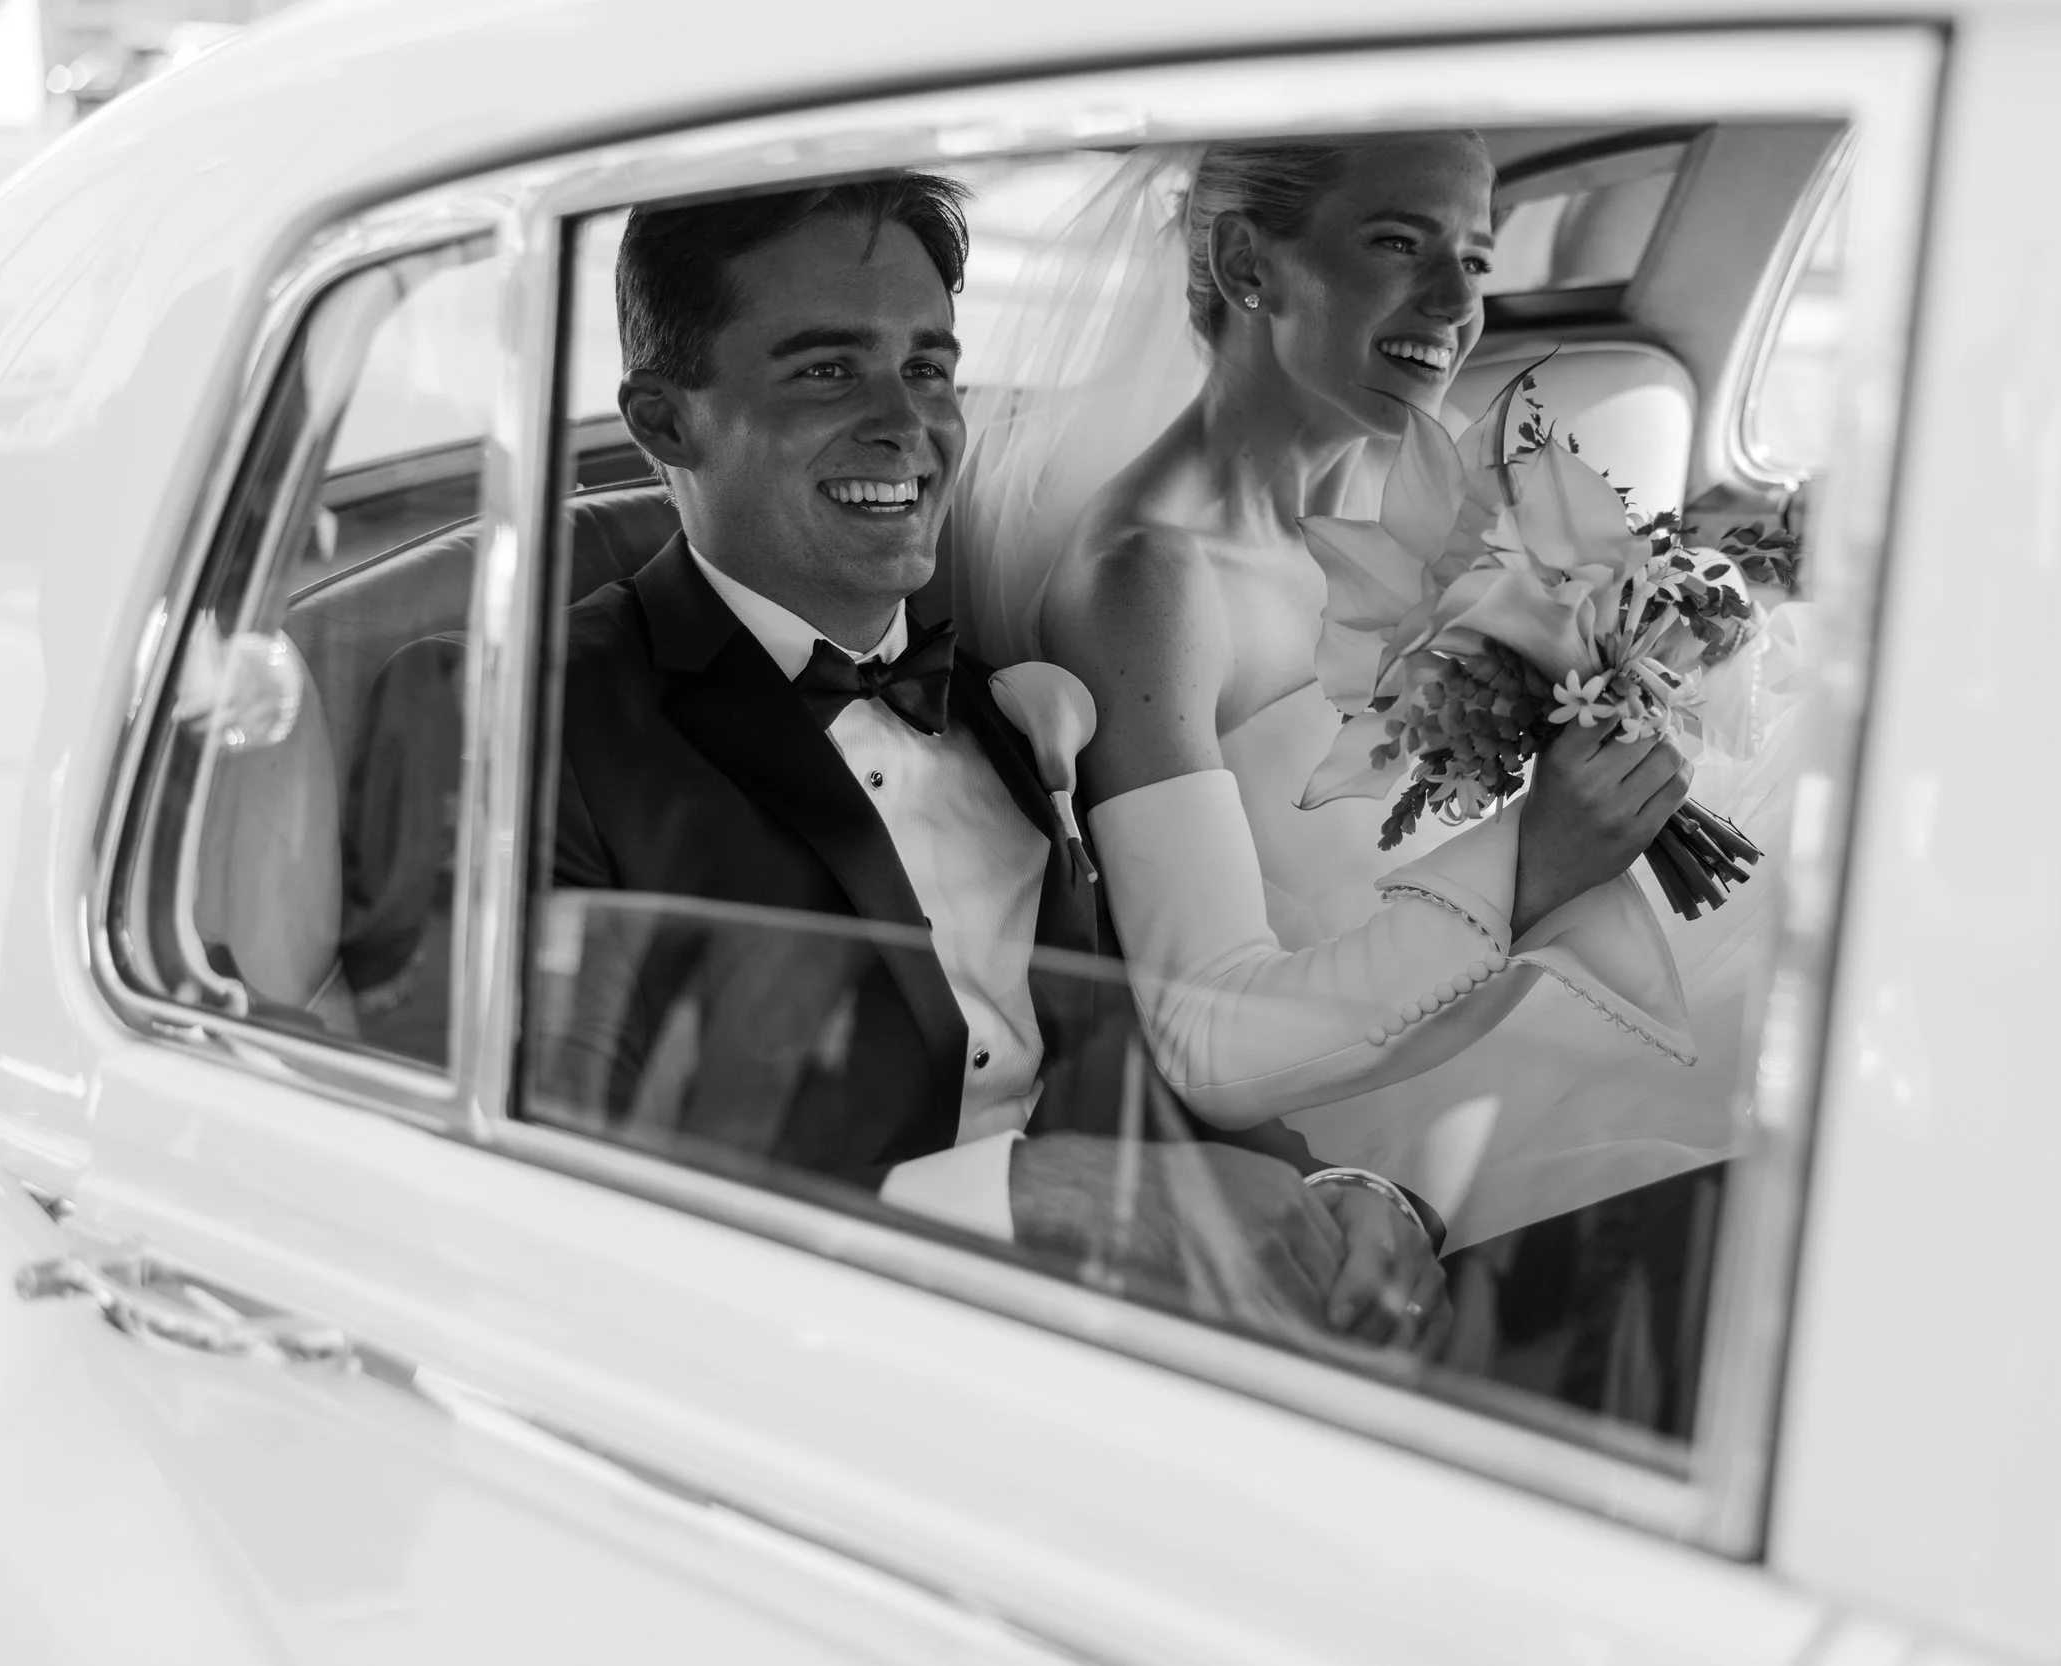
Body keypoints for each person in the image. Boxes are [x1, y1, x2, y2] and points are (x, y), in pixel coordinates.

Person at [545, 174, 1446, 1343]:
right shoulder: (541, 712)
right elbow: (538, 1203)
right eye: (827, 370)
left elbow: (1136, 1059)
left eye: (927, 367)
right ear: (666, 418)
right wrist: (1033, 1200)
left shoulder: (1008, 703)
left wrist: (1351, 1197)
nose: (905, 424)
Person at [955, 137, 1749, 1248]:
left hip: (1542, 992)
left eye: (1475, 259)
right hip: (1401, 1083)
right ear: (1246, 264)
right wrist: (1540, 857)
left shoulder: (1429, 493)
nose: (1452, 300)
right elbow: (1207, 1039)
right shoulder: (1149, 583)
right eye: (1396, 244)